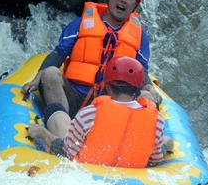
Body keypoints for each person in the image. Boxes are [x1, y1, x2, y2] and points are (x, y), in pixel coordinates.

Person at [21, 0, 161, 136]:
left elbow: (141, 70)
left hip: (112, 103)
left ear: (134, 6)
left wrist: (150, 88)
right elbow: (60, 52)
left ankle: (126, 144)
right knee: (50, 73)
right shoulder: (81, 24)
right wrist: (38, 77)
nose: (123, 0)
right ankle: (63, 136)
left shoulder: (139, 37)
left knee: (146, 96)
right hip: (73, 97)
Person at [27, 56, 168, 168]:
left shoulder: (89, 114)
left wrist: (42, 133)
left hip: (88, 175)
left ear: (107, 87)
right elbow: (153, 160)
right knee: (166, 141)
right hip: (132, 182)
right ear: (139, 90)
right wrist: (166, 144)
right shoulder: (158, 121)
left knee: (55, 113)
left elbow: (65, 152)